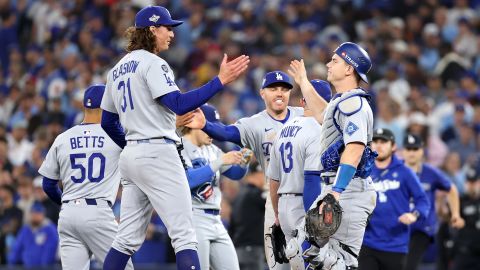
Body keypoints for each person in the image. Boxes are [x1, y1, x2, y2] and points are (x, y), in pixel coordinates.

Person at [99, 6, 249, 270]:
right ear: (152, 29)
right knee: (185, 235)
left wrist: (132, 145)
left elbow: (107, 121)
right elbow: (178, 104)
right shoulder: (153, 62)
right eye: (167, 28)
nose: (171, 33)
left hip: (132, 156)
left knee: (125, 239)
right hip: (158, 151)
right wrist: (219, 81)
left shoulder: (116, 70)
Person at [186, 70, 319, 270]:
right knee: (279, 265)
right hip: (277, 199)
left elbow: (328, 114)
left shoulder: (305, 115)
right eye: (273, 89)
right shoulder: (254, 124)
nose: (280, 93)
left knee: (314, 262)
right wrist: (207, 126)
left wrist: (307, 84)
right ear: (262, 93)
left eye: (284, 89)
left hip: (310, 194)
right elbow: (227, 132)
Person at [287, 42, 377, 269]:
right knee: (299, 251)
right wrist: (304, 83)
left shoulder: (354, 104)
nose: (329, 63)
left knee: (338, 261)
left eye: (335, 60)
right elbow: (323, 114)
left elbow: (354, 150)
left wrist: (336, 192)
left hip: (348, 189)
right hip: (336, 187)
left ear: (349, 69)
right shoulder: (343, 101)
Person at [38, 85, 133, 270]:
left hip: (68, 215)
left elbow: (48, 184)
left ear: (84, 106)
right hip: (97, 213)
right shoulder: (116, 136)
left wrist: (67, 202)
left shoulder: (63, 138)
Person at [267, 80, 332, 269]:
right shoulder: (318, 131)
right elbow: (312, 178)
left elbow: (274, 181)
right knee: (314, 263)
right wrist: (315, 221)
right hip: (305, 206)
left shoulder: (283, 130)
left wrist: (278, 214)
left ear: (303, 101)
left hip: (285, 206)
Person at [180, 104, 250, 269]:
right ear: (193, 123)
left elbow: (236, 174)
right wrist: (220, 161)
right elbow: (187, 180)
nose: (213, 132)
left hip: (216, 219)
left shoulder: (212, 149)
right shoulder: (179, 146)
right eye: (208, 127)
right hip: (193, 217)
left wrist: (247, 151)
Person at [358, 128, 430, 270]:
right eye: (376, 141)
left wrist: (414, 214)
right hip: (367, 243)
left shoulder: (405, 172)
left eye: (384, 141)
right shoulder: (362, 171)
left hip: (396, 245)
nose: (379, 145)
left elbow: (423, 201)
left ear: (394, 146)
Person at [402, 133, 464, 270]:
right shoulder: (395, 171)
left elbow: (451, 189)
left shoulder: (430, 172)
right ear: (402, 151)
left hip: (422, 228)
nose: (412, 153)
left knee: (408, 265)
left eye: (415, 149)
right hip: (399, 226)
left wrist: (455, 214)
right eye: (408, 149)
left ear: (422, 150)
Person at [229, 161, 267, 270]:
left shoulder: (240, 194)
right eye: (263, 175)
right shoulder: (255, 194)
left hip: (239, 249)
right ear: (257, 175)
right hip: (251, 251)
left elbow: (232, 226)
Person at [7, 201, 59, 268]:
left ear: (43, 214)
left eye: (38, 213)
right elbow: (16, 248)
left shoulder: (50, 229)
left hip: (46, 268)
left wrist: (44, 267)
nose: (35, 216)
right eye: (33, 213)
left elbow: (50, 252)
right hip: (27, 267)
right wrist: (12, 264)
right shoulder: (26, 229)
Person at [452, 165, 480, 270]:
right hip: (465, 252)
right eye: (468, 182)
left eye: (474, 182)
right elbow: (450, 220)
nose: (471, 185)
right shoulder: (459, 201)